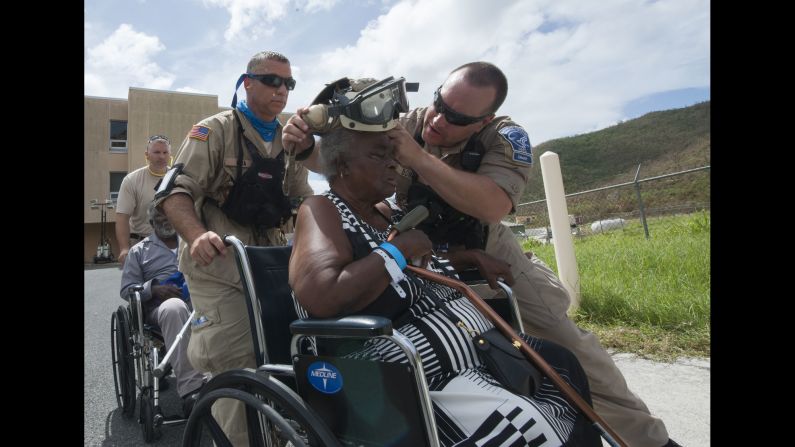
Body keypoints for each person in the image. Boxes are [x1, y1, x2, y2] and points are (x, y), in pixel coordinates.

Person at [379, 62, 680, 447]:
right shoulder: (413, 121)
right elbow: (342, 159)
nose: (438, 119)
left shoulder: (504, 136)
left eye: (455, 117)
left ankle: (649, 441)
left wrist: (420, 160)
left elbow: (492, 205)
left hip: (492, 256)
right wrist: (307, 146)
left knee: (577, 358)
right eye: (439, 102)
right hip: (423, 260)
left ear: (482, 119)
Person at [288, 82, 602, 445]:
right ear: (341, 164)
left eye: (393, 154)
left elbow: (410, 269)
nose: (393, 163)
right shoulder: (322, 210)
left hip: (466, 352)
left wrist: (465, 257)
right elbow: (323, 294)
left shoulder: (384, 212)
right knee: (528, 424)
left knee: (560, 365)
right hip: (400, 371)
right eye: (378, 155)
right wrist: (398, 249)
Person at [157, 50, 314, 445]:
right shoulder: (213, 130)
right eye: (272, 81)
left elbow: (304, 200)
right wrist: (196, 235)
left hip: (272, 264)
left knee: (287, 354)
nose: (282, 90)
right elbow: (174, 192)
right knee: (239, 360)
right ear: (247, 83)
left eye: (288, 83)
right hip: (219, 263)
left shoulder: (289, 140)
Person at [120, 202, 205, 417]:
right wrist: (154, 289)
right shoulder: (139, 251)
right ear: (151, 224)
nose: (166, 222)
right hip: (160, 309)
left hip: (197, 300)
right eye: (160, 219)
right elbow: (127, 289)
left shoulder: (190, 241)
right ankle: (191, 390)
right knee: (174, 308)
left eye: (169, 217)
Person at [115, 135, 173, 266]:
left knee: (174, 285)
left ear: (170, 155)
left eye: (165, 152)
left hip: (173, 245)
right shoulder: (131, 180)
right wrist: (124, 249)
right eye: (157, 152)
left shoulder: (178, 178)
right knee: (144, 286)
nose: (162, 156)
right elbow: (122, 218)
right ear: (147, 155)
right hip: (142, 246)